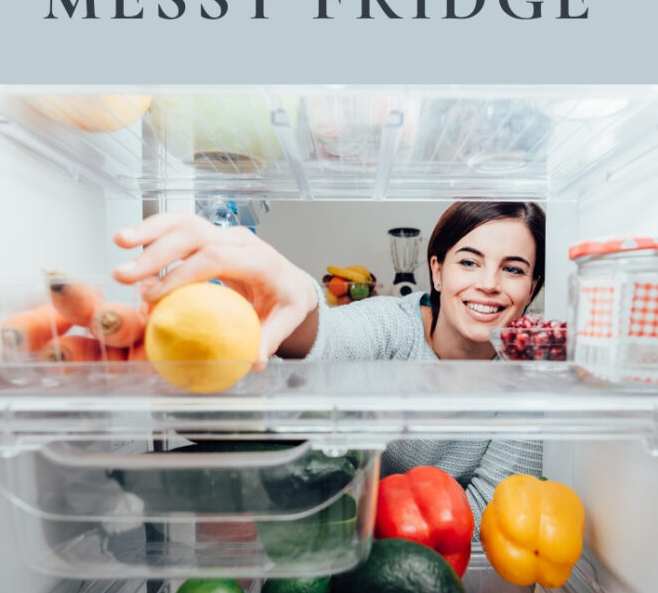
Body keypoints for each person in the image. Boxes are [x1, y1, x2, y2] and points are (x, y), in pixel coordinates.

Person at [112, 201, 545, 527]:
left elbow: (498, 513)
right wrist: (298, 299)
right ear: (437, 270)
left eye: (513, 270)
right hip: (345, 544)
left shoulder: (527, 376)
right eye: (469, 262)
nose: (487, 285)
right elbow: (333, 339)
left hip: (433, 558)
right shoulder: (394, 324)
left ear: (533, 287)